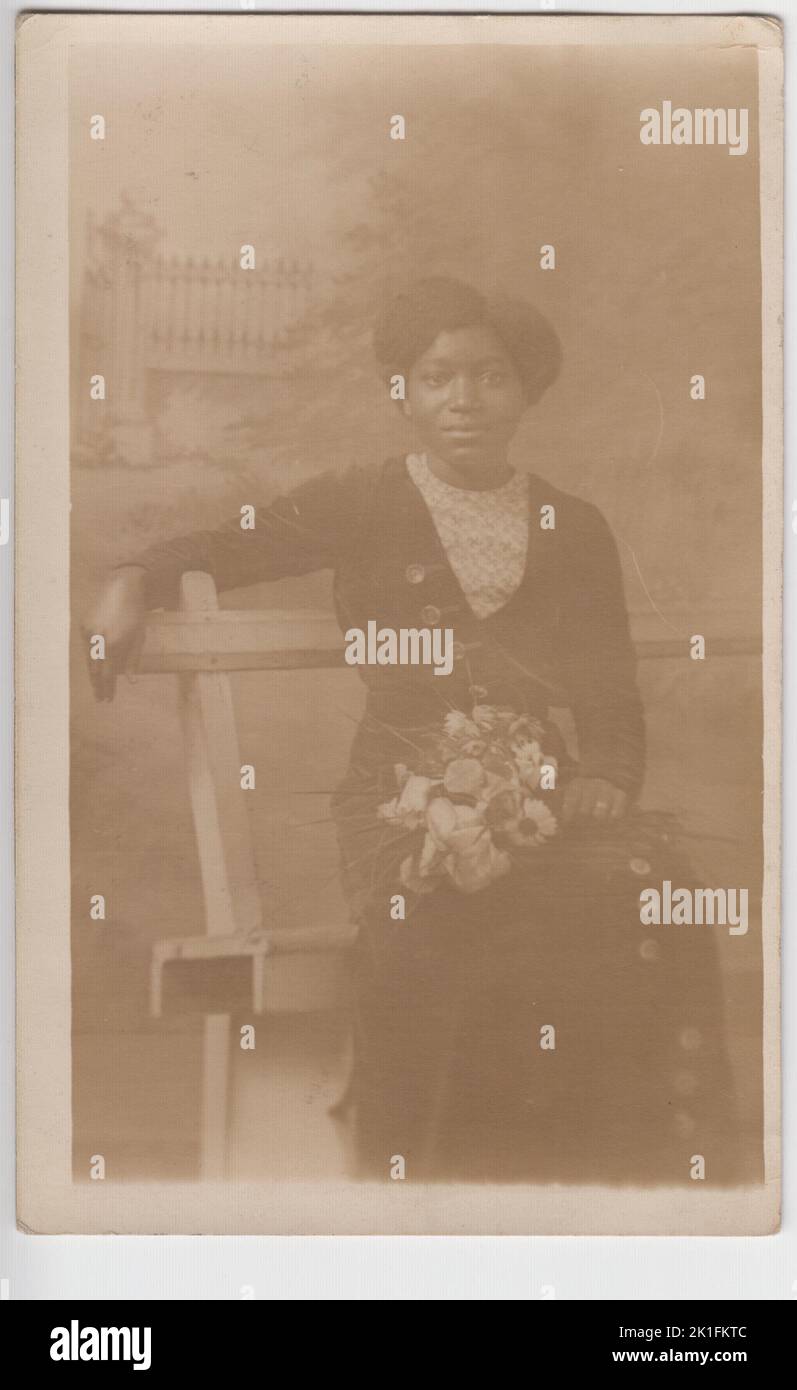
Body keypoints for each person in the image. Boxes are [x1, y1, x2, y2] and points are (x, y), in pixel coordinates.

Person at [85, 276, 744, 1186]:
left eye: (489, 376)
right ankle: (428, 1187)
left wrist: (602, 777)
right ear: (402, 390)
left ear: (526, 391)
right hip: (400, 802)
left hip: (548, 804)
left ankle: (626, 1181)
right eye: (436, 377)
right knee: (442, 916)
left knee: (651, 893)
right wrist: (131, 575)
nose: (463, 399)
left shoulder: (573, 526)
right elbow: (226, 545)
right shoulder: (360, 501)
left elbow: (609, 700)